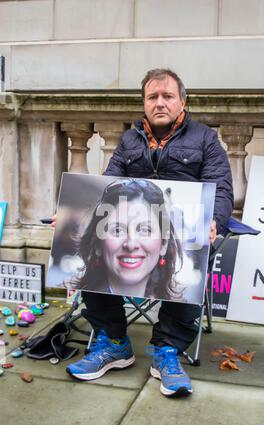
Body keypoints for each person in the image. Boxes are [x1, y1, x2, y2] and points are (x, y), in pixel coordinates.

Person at [59, 68, 233, 397]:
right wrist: (75, 218)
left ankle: (166, 351)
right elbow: (108, 184)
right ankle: (113, 343)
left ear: (182, 100)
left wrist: (215, 221)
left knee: (192, 261)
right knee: (93, 252)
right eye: (153, 97)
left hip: (177, 237)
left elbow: (222, 189)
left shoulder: (205, 139)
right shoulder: (129, 140)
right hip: (129, 229)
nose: (160, 103)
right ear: (144, 102)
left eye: (168, 96)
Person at [72, 178, 184, 300]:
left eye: (145, 230)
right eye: (118, 230)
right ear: (98, 245)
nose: (131, 244)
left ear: (163, 244)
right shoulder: (72, 299)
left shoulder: (174, 307)